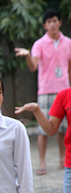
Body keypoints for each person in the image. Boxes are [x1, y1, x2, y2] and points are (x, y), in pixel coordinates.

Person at [15, 9, 71, 175]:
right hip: (46, 90)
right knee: (43, 128)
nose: (52, 24)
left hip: (64, 89)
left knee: (63, 128)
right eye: (49, 22)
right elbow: (33, 66)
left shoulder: (68, 42)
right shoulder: (39, 44)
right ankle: (42, 161)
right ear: (44, 25)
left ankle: (63, 159)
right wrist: (26, 56)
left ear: (60, 22)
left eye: (55, 20)